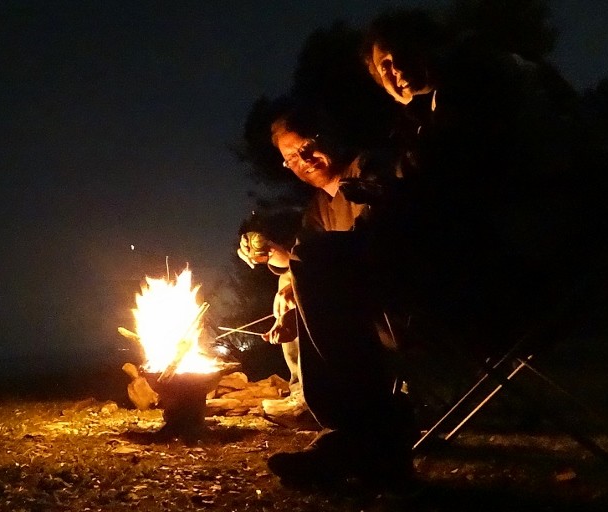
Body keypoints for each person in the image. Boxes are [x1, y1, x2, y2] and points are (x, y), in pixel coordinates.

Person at [360, 8, 587, 354]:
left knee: (329, 263)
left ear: (432, 45)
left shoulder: (477, 82)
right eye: (385, 65)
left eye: (404, 51)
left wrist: (388, 196)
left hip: (520, 277)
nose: (398, 68)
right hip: (504, 266)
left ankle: (353, 404)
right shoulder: (439, 105)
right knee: (337, 261)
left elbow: (451, 185)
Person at [236, 101, 417, 491]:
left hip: (404, 306)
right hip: (362, 312)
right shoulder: (319, 208)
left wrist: (299, 271)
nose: (303, 160)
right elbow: (305, 261)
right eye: (291, 159)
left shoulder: (370, 170)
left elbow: (373, 246)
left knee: (313, 263)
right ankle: (360, 434)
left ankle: (356, 434)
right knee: (291, 287)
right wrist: (286, 291)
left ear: (330, 135)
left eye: (308, 146)